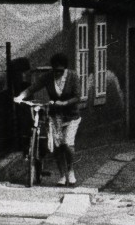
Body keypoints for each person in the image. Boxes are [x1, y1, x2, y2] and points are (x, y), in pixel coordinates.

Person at [15, 52, 84, 185]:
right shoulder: (48, 77)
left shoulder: (73, 76)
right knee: (58, 146)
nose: (57, 73)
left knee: (68, 145)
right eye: (55, 70)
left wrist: (64, 103)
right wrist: (21, 96)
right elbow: (33, 88)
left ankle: (70, 170)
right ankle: (62, 175)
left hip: (71, 115)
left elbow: (77, 96)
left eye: (60, 70)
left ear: (65, 68)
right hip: (55, 116)